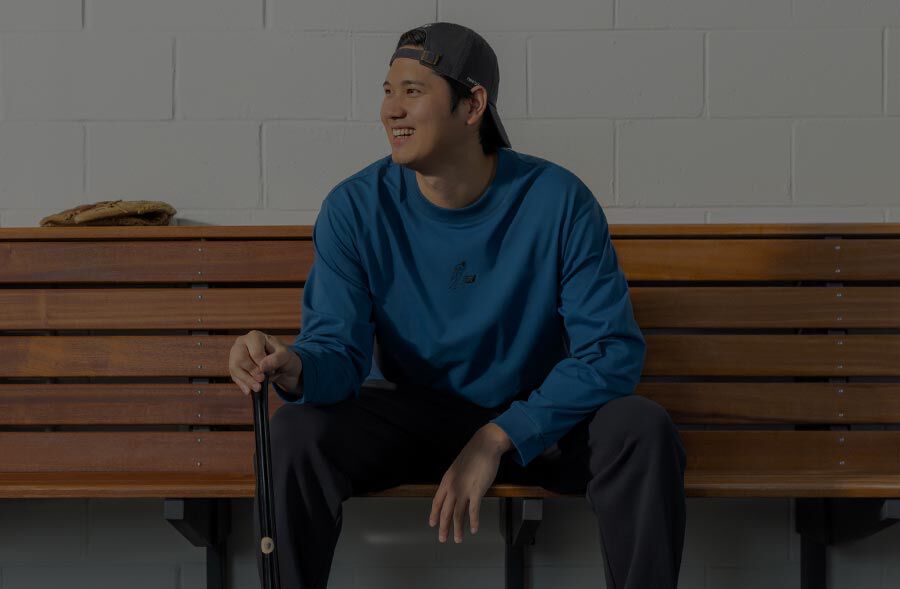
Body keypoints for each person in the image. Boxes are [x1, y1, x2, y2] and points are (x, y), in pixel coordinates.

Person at [229, 22, 687, 589]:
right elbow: (338, 353)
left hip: (528, 422)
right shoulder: (354, 208)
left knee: (642, 428)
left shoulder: (558, 201)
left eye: (413, 92)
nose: (391, 110)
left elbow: (611, 352)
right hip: (406, 417)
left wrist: (498, 436)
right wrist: (292, 364)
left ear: (473, 106)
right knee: (294, 432)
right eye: (387, 90)